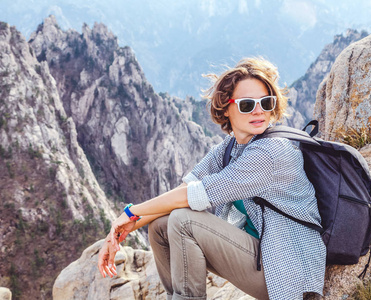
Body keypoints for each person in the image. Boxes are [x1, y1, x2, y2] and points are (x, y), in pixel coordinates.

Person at [98, 57, 326, 300]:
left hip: (288, 272)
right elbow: (185, 189)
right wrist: (123, 230)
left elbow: (194, 196)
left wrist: (131, 213)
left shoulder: (270, 153)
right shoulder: (232, 146)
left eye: (266, 102)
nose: (259, 110)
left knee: (184, 221)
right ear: (226, 108)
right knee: (161, 226)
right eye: (247, 104)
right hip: (263, 257)